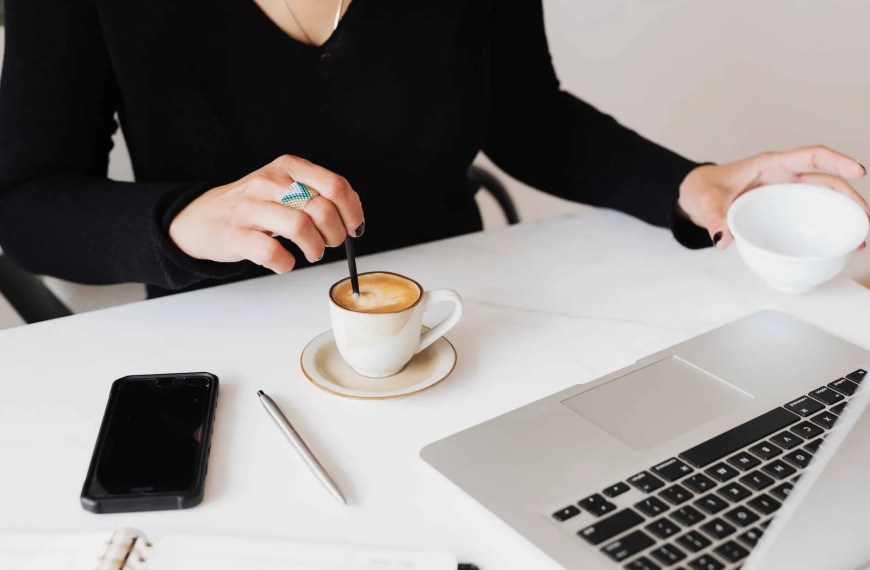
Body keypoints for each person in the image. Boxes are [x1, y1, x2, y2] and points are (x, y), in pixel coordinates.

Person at [0, 0, 866, 299]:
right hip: (222, 345)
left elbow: (528, 116)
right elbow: (27, 204)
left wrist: (691, 184)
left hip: (457, 315)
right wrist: (183, 220)